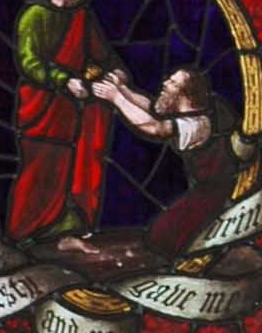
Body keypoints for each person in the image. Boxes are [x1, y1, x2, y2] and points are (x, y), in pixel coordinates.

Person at [5, 0, 119, 246]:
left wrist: (114, 72)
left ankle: (57, 227)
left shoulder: (82, 16)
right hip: (42, 106)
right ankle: (22, 231)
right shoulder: (34, 14)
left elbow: (102, 55)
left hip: (72, 109)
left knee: (66, 166)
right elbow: (29, 63)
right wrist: (64, 79)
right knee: (38, 168)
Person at [97, 63, 246, 259]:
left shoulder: (196, 125)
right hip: (205, 189)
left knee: (165, 238)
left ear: (185, 95)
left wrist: (116, 98)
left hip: (215, 194)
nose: (166, 83)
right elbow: (152, 108)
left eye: (173, 83)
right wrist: (123, 89)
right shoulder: (194, 109)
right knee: (161, 237)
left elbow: (155, 126)